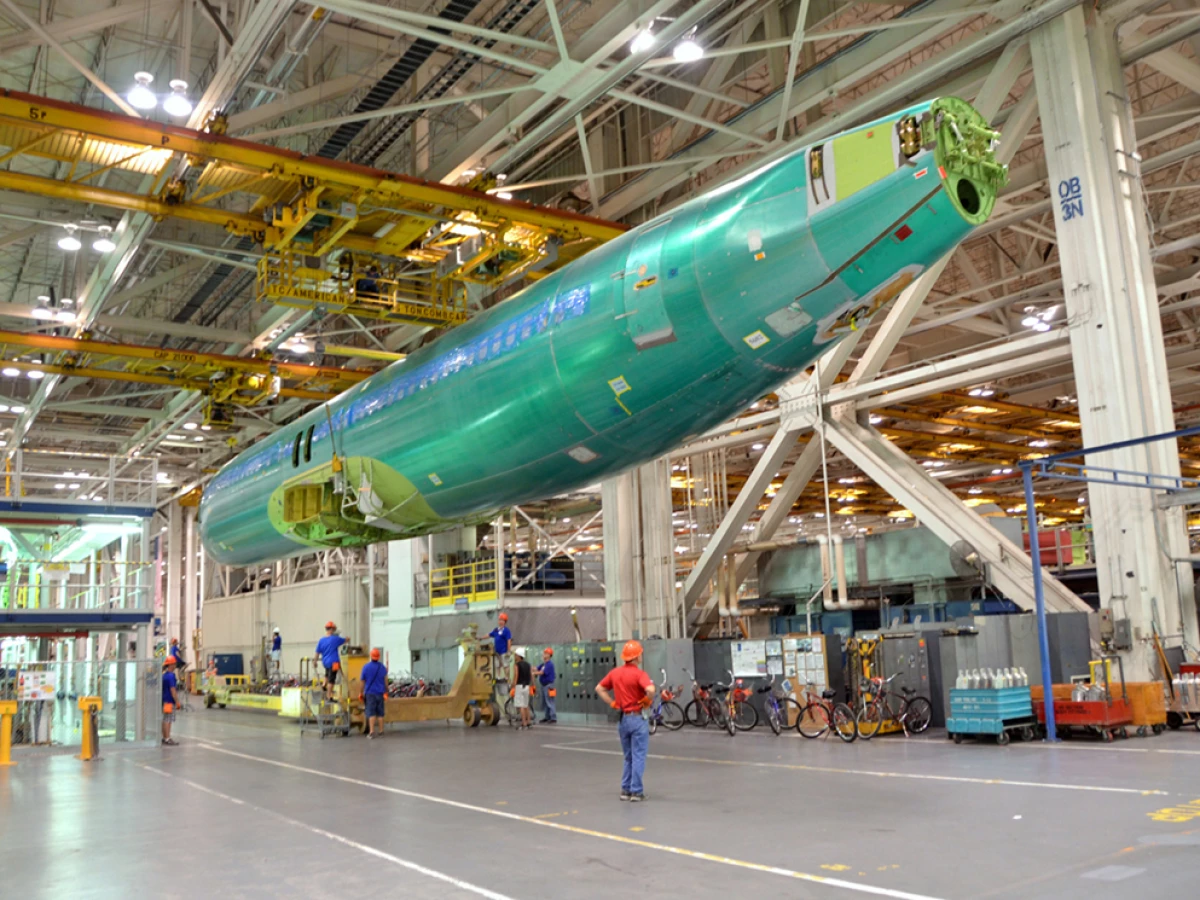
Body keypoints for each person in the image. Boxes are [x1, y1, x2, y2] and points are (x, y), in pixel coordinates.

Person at [596, 640, 654, 802]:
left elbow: (599, 688)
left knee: (628, 756)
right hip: (637, 718)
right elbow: (650, 689)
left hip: (623, 719)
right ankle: (636, 791)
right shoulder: (640, 674)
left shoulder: (615, 673)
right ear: (636, 657)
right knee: (638, 755)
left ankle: (625, 789)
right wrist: (647, 700)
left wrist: (612, 703)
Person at [314, 621, 347, 701]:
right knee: (332, 679)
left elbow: (317, 652)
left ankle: (324, 685)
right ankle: (329, 696)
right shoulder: (335, 639)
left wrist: (315, 661)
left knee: (327, 674)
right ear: (332, 629)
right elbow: (345, 640)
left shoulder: (321, 640)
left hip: (325, 662)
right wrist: (348, 638)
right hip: (334, 663)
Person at [359, 648, 388, 739]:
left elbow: (362, 681)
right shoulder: (382, 667)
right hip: (380, 693)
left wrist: (361, 692)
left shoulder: (366, 667)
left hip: (370, 693)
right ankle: (381, 731)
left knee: (371, 713)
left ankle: (371, 732)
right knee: (380, 713)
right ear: (378, 657)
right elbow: (386, 681)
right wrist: (386, 691)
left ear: (371, 656)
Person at [512, 647, 533, 730]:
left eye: (516, 655)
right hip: (527, 686)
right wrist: (532, 684)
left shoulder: (517, 665)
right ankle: (529, 722)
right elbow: (531, 675)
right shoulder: (528, 665)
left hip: (519, 686)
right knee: (526, 705)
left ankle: (523, 723)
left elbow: (516, 675)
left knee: (521, 705)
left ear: (519, 656)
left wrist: (513, 685)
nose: (515, 656)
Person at [535, 647, 557, 724]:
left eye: (546, 653)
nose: (544, 655)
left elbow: (542, 672)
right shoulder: (543, 664)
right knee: (545, 702)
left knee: (550, 701)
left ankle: (553, 717)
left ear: (549, 655)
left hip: (549, 685)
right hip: (544, 685)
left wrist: (533, 673)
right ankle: (547, 717)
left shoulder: (549, 664)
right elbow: (536, 668)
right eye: (544, 653)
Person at [162, 656, 180, 746]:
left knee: (165, 719)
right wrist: (177, 702)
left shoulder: (164, 675)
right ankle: (168, 738)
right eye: (174, 663)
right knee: (168, 720)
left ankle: (164, 737)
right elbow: (173, 690)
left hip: (164, 700)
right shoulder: (171, 676)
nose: (175, 665)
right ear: (171, 665)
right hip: (169, 701)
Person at [489, 612, 513, 681]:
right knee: (497, 665)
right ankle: (498, 676)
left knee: (506, 665)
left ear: (505, 622)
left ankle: (506, 677)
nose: (500, 622)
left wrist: (508, 651)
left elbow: (509, 640)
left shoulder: (506, 631)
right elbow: (489, 634)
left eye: (502, 620)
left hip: (504, 651)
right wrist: (481, 638)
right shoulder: (496, 630)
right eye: (499, 620)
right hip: (497, 652)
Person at [169, 637, 188, 708]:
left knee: (178, 668)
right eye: (176, 642)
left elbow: (179, 650)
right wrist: (180, 658)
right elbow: (178, 653)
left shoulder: (172, 648)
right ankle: (181, 672)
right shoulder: (175, 648)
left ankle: (180, 674)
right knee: (185, 664)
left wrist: (183, 648)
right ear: (175, 642)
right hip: (177, 660)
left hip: (174, 661)